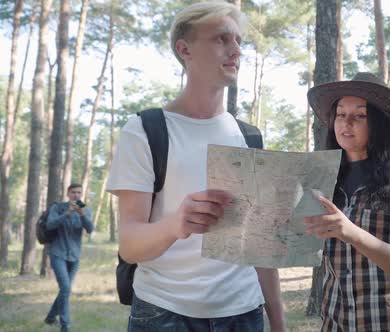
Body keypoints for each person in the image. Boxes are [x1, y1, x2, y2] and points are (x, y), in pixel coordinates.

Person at [106, 2, 286, 331]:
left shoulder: (250, 137)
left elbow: (261, 247)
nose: (236, 51)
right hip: (164, 314)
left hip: (244, 315)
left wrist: (277, 321)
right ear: (184, 49)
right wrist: (176, 223)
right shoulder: (145, 130)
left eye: (238, 41)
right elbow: (130, 246)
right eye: (221, 39)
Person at [305, 72, 390, 331]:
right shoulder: (323, 183)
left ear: (379, 123)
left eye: (360, 115)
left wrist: (351, 233)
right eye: (340, 114)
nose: (347, 122)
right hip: (335, 323)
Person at [44, 183, 94, 332]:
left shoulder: (85, 209)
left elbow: (90, 229)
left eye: (79, 192)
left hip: (75, 255)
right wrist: (67, 213)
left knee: (64, 290)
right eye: (73, 192)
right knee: (65, 288)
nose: (76, 195)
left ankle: (50, 318)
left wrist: (81, 214)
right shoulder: (57, 207)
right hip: (57, 253)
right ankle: (65, 325)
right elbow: (50, 225)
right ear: (68, 193)